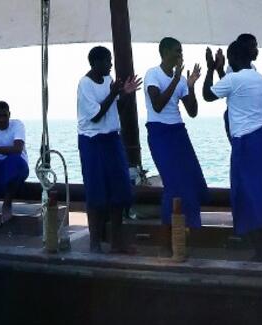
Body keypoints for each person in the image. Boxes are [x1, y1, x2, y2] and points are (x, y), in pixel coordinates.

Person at [204, 40, 262, 262]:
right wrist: (220, 69)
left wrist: (210, 68)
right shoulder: (257, 77)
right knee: (259, 192)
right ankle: (259, 248)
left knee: (246, 194)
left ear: (235, 59)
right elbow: (230, 88)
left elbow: (208, 95)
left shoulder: (234, 78)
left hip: (247, 143)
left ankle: (260, 251)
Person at [145, 37, 207, 252]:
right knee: (173, 185)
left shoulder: (181, 80)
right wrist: (176, 79)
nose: (180, 55)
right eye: (176, 51)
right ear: (164, 52)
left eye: (181, 51)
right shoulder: (153, 74)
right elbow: (158, 104)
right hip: (159, 133)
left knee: (192, 181)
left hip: (179, 132)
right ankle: (165, 239)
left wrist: (190, 86)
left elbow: (192, 111)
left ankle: (185, 233)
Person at [78, 46, 141, 253]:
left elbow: (116, 110)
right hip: (92, 141)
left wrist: (125, 95)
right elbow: (96, 115)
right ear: (95, 63)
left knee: (119, 190)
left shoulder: (108, 81)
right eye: (107, 61)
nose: (111, 65)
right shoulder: (85, 84)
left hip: (112, 139)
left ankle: (117, 242)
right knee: (96, 192)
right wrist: (114, 92)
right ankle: (94, 243)